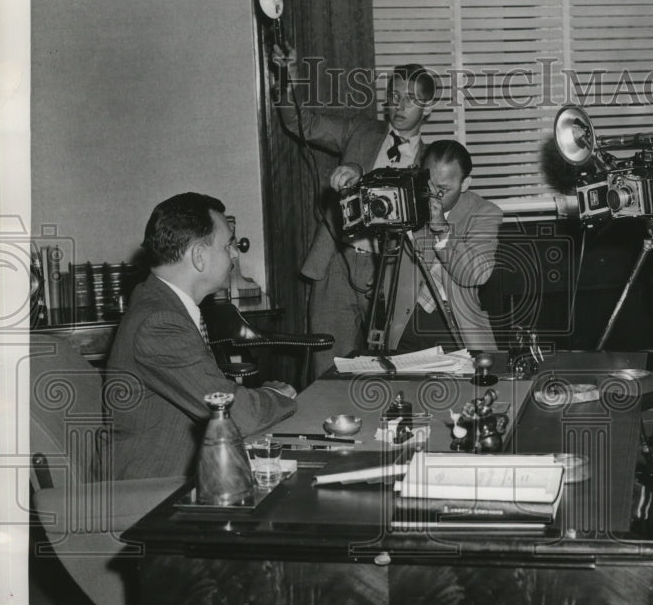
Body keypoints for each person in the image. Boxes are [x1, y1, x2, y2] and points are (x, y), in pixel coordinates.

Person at [104, 193, 298, 480]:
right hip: (155, 489)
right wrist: (274, 394)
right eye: (228, 244)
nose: (234, 254)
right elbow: (239, 416)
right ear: (198, 256)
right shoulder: (159, 323)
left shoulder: (159, 302)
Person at [272, 43, 437, 369]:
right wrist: (289, 76)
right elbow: (300, 122)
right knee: (327, 373)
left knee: (393, 371)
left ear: (428, 108)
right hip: (337, 263)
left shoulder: (431, 161)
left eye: (411, 99)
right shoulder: (360, 130)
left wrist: (361, 175)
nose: (399, 105)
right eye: (394, 95)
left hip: (390, 274)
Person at [387, 139, 502, 353]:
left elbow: (477, 274)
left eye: (442, 190)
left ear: (465, 184)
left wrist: (442, 228)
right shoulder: (406, 202)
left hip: (455, 326)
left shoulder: (486, 213)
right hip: (404, 322)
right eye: (427, 184)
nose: (431, 195)